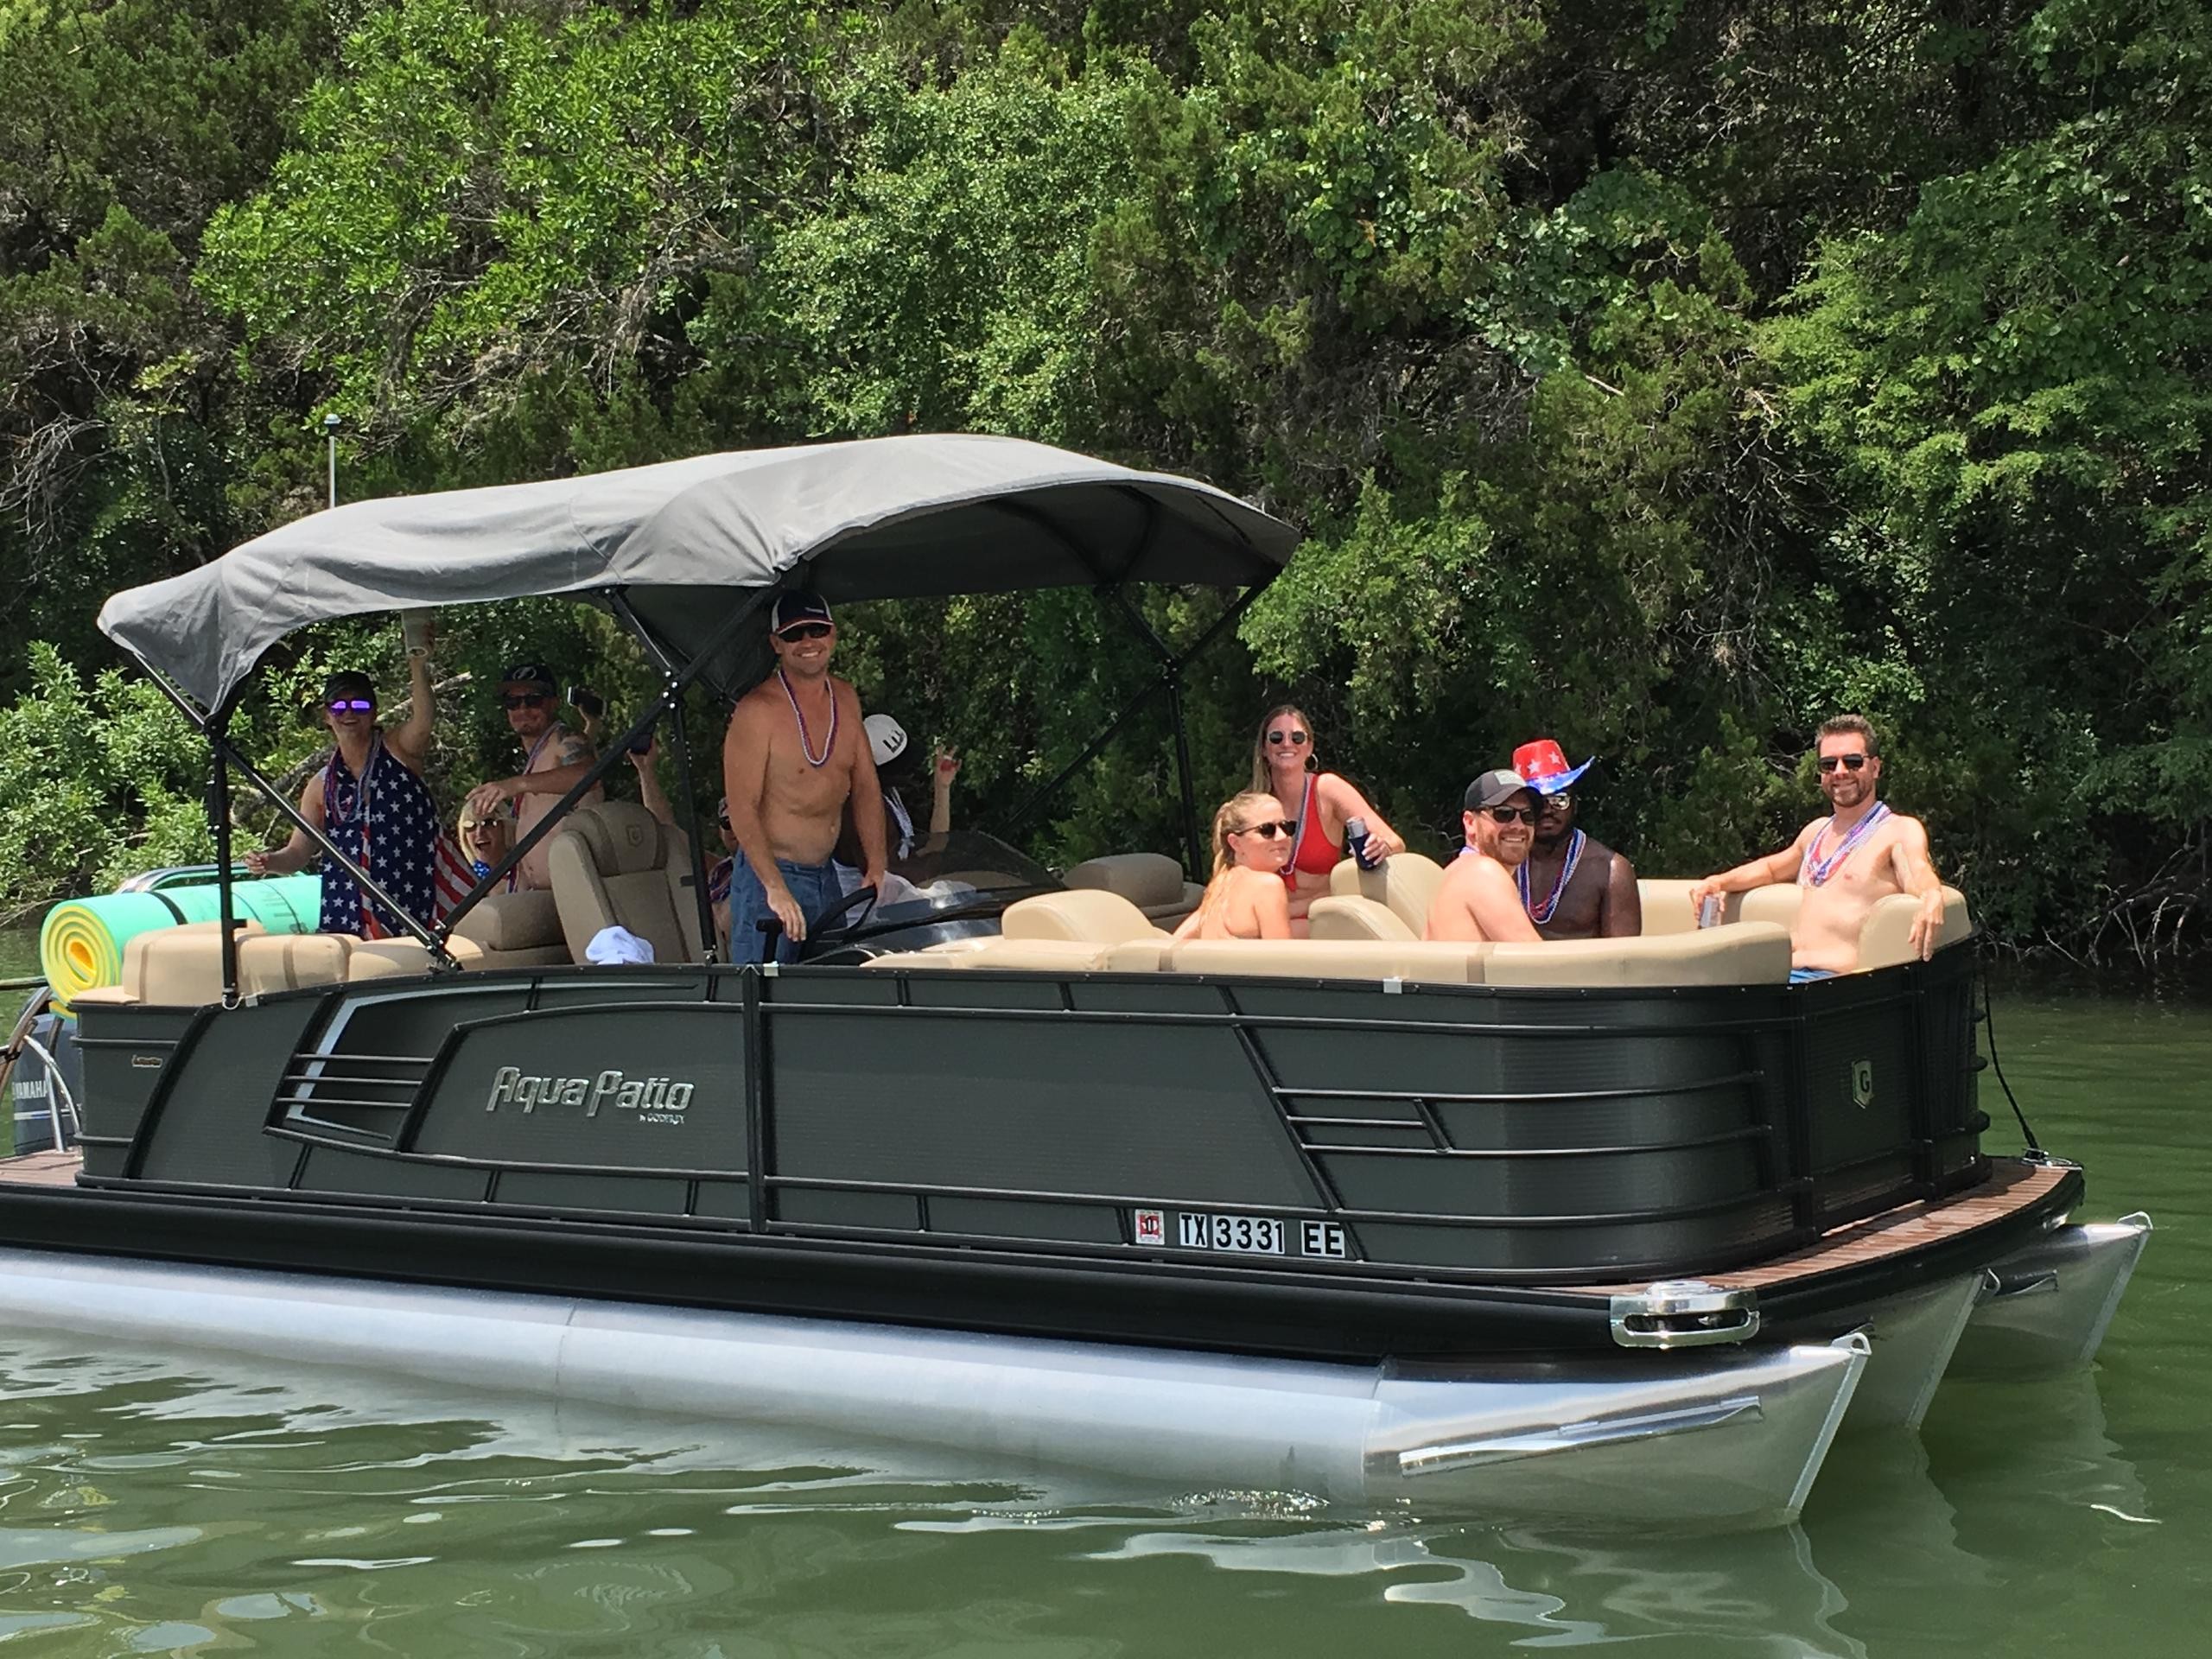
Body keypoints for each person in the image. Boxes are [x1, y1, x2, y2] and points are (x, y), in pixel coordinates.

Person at [1688, 715, 1947, 980]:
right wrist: (1718, 882)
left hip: (1835, 984)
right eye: (1828, 764)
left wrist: (1932, 894)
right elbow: (1770, 869)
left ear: (1875, 767)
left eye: (1853, 762)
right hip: (1786, 974)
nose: (1840, 771)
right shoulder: (1816, 831)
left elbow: (1917, 870)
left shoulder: (1898, 830)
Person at [721, 590, 885, 962]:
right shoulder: (757, 711)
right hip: (770, 879)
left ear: (833, 634)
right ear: (776, 643)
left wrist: (877, 865)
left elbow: (865, 786)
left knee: (828, 987)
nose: (808, 642)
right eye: (794, 634)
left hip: (826, 876)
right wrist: (775, 888)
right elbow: (741, 807)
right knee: (764, 991)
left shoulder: (846, 697)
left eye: (817, 630)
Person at [245, 652, 442, 938]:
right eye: (339, 706)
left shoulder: (398, 750)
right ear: (327, 716)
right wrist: (269, 861)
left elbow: (423, 721)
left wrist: (417, 663)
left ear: (373, 712)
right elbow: (297, 853)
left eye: (360, 705)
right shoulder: (321, 785)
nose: (349, 713)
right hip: (346, 915)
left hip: (409, 909)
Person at [1250, 703, 1406, 925]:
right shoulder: (1252, 805)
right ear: (1264, 749)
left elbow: (1395, 842)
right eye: (1276, 737)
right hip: (1269, 922)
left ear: (1309, 747)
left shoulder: (1327, 789)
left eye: (1297, 737)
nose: (1287, 743)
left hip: (1320, 921)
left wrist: (1382, 847)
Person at [463, 663, 603, 892]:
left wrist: (517, 784)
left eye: (533, 700)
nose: (522, 708)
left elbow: (590, 776)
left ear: (554, 702)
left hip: (576, 887)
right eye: (512, 702)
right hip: (542, 892)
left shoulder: (564, 739)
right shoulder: (537, 758)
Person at [1511, 738, 1641, 939]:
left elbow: (1624, 956)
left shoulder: (1610, 869)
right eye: (1537, 802)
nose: (1548, 810)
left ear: (1575, 804)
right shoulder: (1502, 866)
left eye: (1560, 799)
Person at [1424, 770, 1546, 944]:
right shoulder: (1483, 873)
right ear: (1470, 823)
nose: (1518, 826)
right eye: (1504, 813)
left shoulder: (1456, 872)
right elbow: (1536, 957)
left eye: (1528, 816)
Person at [834, 713, 957, 874]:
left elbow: (934, 845)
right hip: (881, 888)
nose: (909, 772)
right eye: (899, 769)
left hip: (903, 885)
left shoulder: (887, 793)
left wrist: (942, 787)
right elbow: (888, 877)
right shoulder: (860, 813)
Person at [1173, 792, 1296, 940]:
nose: (1283, 836)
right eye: (1267, 830)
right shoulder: (1268, 885)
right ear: (1236, 843)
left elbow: (1175, 941)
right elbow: (1281, 953)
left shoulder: (1219, 885)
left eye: (1287, 827)